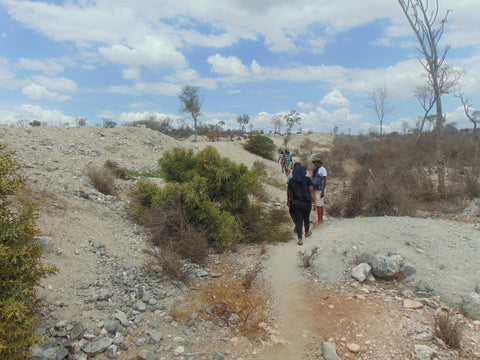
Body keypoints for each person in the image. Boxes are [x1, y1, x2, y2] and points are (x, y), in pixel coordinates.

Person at [287, 163, 316, 245]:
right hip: (306, 203)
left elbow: (290, 192)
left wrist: (289, 200)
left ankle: (300, 239)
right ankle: (307, 232)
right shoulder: (307, 180)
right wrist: (315, 203)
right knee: (306, 217)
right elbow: (311, 191)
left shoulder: (291, 181)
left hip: (296, 203)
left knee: (299, 221)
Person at [312, 159, 327, 227]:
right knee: (319, 205)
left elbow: (324, 180)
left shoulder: (322, 169)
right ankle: (320, 220)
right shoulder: (316, 170)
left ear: (318, 163)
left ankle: (320, 220)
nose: (314, 164)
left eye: (315, 163)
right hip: (317, 189)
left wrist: (323, 191)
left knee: (319, 206)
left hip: (320, 189)